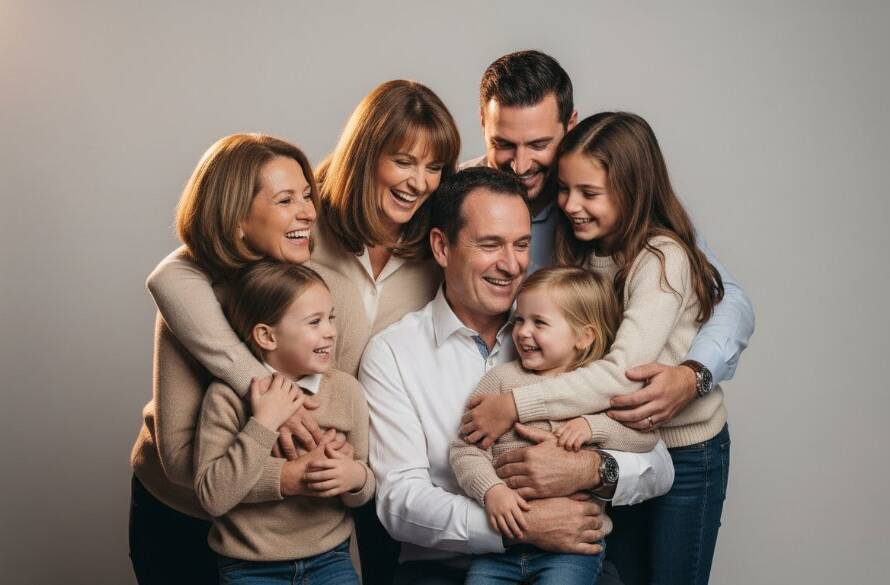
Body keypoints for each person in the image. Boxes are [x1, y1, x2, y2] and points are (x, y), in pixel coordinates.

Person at [140, 80, 461, 584]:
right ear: (365, 156)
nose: (419, 182)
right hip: (196, 510)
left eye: (434, 167)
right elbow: (173, 274)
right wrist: (264, 389)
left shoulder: (436, 249)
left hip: (326, 512)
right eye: (402, 161)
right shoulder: (299, 230)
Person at [359, 167, 674, 585]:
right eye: (490, 244)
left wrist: (590, 469)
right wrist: (518, 526)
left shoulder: (564, 332)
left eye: (521, 245)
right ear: (441, 247)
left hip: (570, 557)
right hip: (444, 568)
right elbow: (400, 502)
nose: (511, 265)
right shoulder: (393, 354)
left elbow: (660, 466)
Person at [466, 112, 733, 585]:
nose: (570, 205)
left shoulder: (661, 258)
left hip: (686, 449)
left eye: (589, 193)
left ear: (632, 191)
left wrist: (514, 405)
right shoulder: (589, 252)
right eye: (564, 189)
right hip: (617, 445)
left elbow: (620, 374)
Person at [462, 50, 754, 445]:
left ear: (570, 126)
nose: (521, 164)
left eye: (539, 144)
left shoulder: (631, 220)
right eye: (504, 144)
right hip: (556, 416)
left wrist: (693, 375)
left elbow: (727, 299)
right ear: (483, 123)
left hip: (635, 430)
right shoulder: (460, 197)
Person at [129, 134, 348, 585]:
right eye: (285, 200)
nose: (308, 212)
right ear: (236, 220)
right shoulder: (193, 297)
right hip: (183, 516)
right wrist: (285, 465)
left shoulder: (306, 287)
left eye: (306, 195)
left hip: (278, 533)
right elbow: (181, 462)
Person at [449, 266, 659, 585]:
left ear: (584, 336)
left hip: (572, 550)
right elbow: (465, 450)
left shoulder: (597, 390)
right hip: (499, 550)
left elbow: (644, 438)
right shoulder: (500, 381)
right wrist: (492, 490)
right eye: (519, 320)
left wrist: (592, 426)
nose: (523, 332)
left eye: (539, 323)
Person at [194, 262, 374, 584]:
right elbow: (213, 496)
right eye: (314, 322)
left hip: (331, 560)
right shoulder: (226, 397)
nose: (331, 331)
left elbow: (366, 481)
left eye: (331, 318)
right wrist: (265, 422)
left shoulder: (346, 391)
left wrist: (355, 477)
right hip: (249, 566)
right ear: (267, 336)